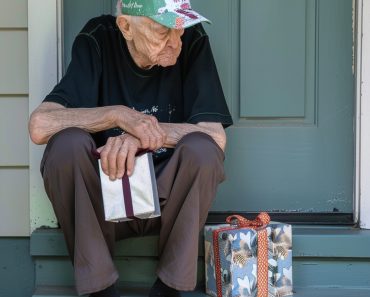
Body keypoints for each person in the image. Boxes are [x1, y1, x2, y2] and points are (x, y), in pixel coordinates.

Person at [28, 0, 233, 296]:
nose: (176, 42)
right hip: (105, 199)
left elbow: (216, 137)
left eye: (181, 30)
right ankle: (100, 286)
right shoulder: (98, 37)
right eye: (163, 31)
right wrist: (118, 115)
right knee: (65, 145)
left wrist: (144, 134)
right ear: (126, 27)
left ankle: (169, 287)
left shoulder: (192, 39)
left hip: (166, 199)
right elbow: (39, 126)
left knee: (203, 151)